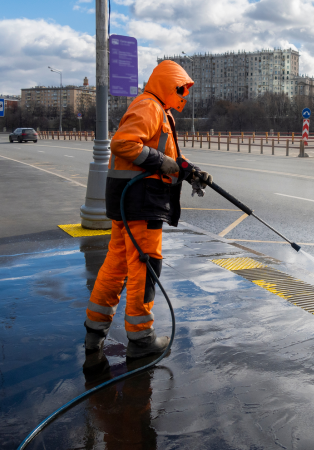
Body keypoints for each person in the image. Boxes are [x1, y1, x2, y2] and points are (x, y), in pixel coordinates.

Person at [84, 60, 212, 358]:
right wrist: (162, 163)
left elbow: (165, 155)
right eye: (182, 88)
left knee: (116, 265)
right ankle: (141, 338)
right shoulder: (149, 106)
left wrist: (190, 170)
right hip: (141, 202)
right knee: (145, 265)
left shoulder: (159, 110)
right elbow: (124, 144)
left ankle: (94, 332)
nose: (185, 94)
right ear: (168, 85)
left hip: (129, 203)